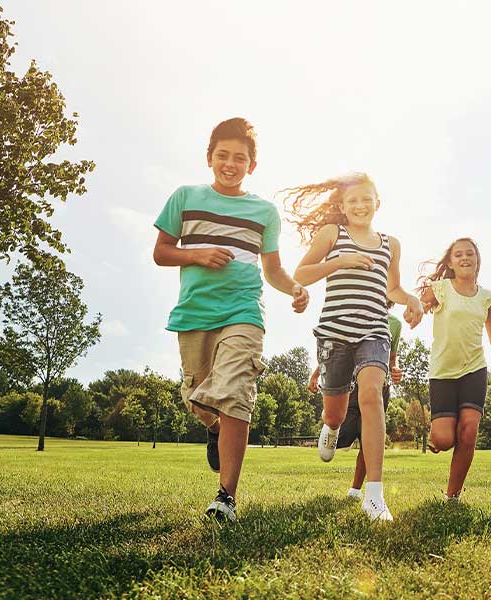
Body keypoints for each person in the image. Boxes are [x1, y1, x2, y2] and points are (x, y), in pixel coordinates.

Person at [153, 117, 309, 523]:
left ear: (251, 165)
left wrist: (293, 288)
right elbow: (162, 252)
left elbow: (273, 269)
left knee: (236, 392)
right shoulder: (185, 198)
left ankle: (226, 497)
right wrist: (197, 254)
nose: (230, 163)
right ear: (210, 158)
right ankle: (213, 427)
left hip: (244, 311)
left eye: (240, 158)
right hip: (194, 314)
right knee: (198, 398)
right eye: (223, 155)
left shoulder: (263, 212)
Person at [284, 172, 423, 521]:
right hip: (335, 332)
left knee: (372, 395)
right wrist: (341, 261)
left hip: (374, 331)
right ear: (342, 206)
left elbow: (392, 290)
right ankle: (330, 428)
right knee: (336, 412)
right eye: (353, 200)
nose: (360, 205)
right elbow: (301, 275)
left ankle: (374, 496)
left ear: (378, 202)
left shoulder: (391, 244)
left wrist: (412, 301)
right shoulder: (332, 234)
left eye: (367, 199)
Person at [418, 238, 491, 501]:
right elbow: (419, 306)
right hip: (443, 372)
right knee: (444, 440)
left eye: (470, 253)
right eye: (459, 254)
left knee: (469, 431)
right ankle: (443, 433)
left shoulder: (487, 298)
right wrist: (414, 313)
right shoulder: (441, 288)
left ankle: (452, 496)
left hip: (474, 369)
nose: (465, 257)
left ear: (478, 260)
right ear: (450, 262)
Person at [307, 302, 402, 499]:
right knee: (343, 432)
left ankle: (356, 489)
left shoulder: (394, 324)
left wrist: (396, 368)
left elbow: (392, 357)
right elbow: (339, 353)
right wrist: (316, 375)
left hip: (379, 388)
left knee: (369, 437)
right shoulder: (358, 312)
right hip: (352, 386)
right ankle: (330, 424)